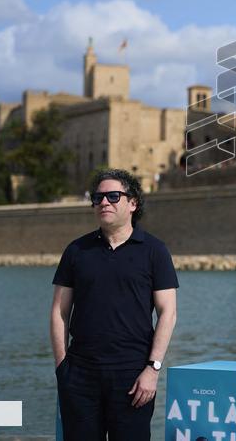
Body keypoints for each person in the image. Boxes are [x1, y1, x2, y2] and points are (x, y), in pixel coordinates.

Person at [50, 168, 178, 440]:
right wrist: (62, 368)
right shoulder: (76, 251)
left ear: (133, 203)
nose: (103, 202)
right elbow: (59, 311)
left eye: (113, 196)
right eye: (97, 198)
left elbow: (168, 313)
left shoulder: (155, 251)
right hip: (80, 375)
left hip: (134, 377)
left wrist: (153, 369)